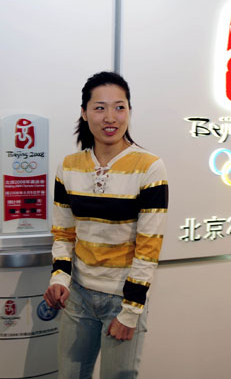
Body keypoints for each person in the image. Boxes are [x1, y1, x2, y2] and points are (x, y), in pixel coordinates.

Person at [44, 71, 169, 379]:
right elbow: (64, 232)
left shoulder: (149, 166)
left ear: (129, 111)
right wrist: (59, 279)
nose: (110, 117)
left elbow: (148, 246)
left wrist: (130, 311)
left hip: (121, 298)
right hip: (78, 296)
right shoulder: (69, 166)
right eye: (100, 107)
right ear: (85, 113)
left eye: (119, 107)